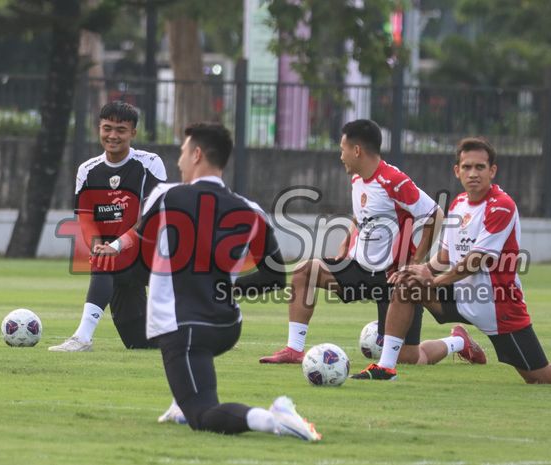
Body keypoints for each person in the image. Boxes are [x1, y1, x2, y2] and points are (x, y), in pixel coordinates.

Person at [96, 122, 321, 440]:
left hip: (184, 326)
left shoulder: (167, 196)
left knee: (202, 414)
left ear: (197, 154)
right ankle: (178, 403)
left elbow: (143, 253)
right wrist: (227, 287)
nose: (179, 161)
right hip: (227, 325)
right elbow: (274, 277)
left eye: (184, 152)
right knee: (190, 371)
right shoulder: (250, 209)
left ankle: (273, 418)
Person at [351, 137, 551, 385]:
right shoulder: (458, 203)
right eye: (467, 167)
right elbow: (445, 256)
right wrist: (420, 269)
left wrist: (433, 280)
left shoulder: (501, 206)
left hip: (498, 304)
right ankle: (386, 367)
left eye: (480, 167)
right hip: (459, 294)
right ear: (456, 171)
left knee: (543, 377)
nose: (473, 173)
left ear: (492, 171)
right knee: (406, 285)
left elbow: (475, 261)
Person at [259, 119, 486, 366]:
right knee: (304, 271)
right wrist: (348, 239)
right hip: (359, 268)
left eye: (342, 149)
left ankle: (459, 341)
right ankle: (294, 350)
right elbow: (363, 213)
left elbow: (435, 215)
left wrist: (415, 260)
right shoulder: (358, 178)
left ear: (357, 150)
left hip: (392, 277)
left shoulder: (394, 181)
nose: (341, 156)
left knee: (409, 358)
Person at [49, 101, 167, 352]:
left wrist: (116, 245)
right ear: (99, 129)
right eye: (107, 128)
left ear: (133, 133)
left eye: (121, 130)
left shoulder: (150, 163)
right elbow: (86, 217)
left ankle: (82, 338)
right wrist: (97, 246)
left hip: (154, 255)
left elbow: (152, 217)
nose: (113, 135)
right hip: (118, 260)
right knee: (140, 344)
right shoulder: (87, 170)